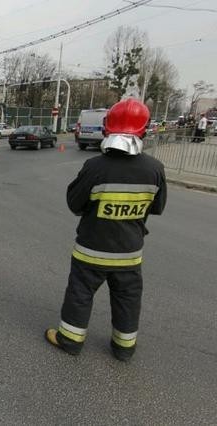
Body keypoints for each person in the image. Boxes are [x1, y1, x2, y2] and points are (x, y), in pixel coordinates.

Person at [45, 98, 167, 362]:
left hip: (91, 250)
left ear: (107, 130)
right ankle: (124, 348)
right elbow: (157, 208)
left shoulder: (95, 167)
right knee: (128, 298)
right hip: (130, 253)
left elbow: (74, 203)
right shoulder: (155, 169)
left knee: (80, 294)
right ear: (144, 131)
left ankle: (70, 340)